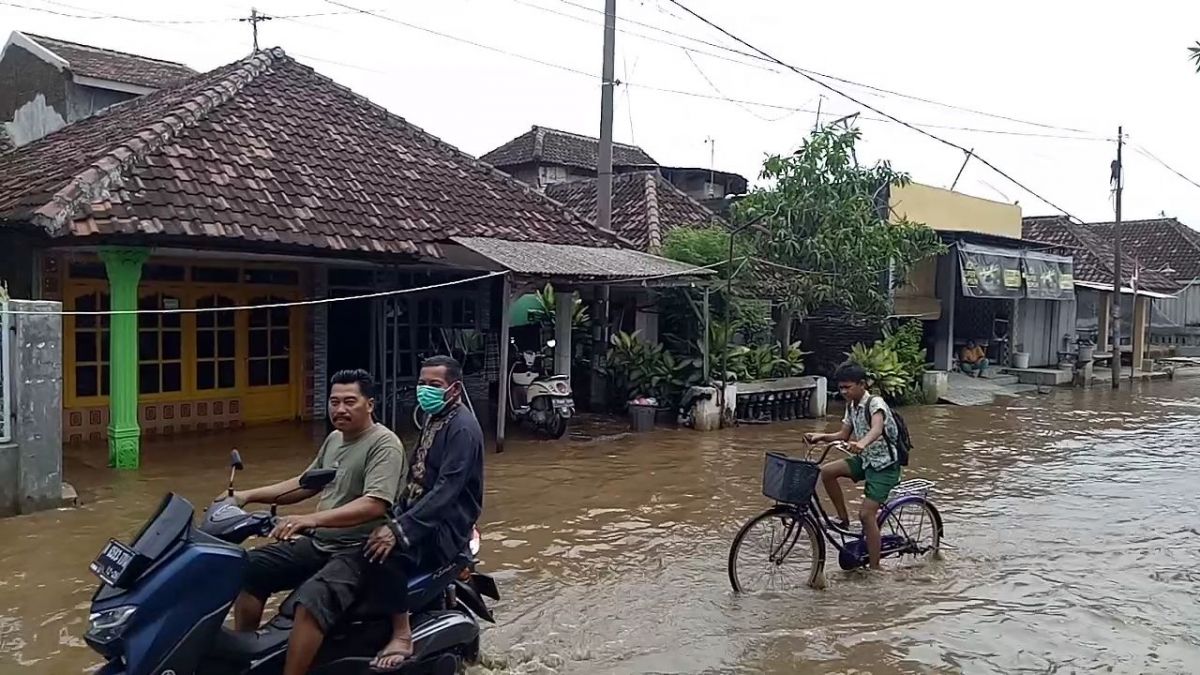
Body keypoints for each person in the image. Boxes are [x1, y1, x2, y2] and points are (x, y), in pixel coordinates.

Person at [228, 369, 407, 675]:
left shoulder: (384, 444)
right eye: (334, 402)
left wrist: (307, 519)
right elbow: (305, 483)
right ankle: (243, 661)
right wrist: (245, 496)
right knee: (247, 567)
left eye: (350, 401)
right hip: (321, 541)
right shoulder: (335, 439)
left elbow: (374, 504)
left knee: (310, 602)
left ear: (370, 404)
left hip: (360, 548)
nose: (340, 409)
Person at [362, 355, 484, 672]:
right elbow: (417, 476)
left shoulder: (462, 429)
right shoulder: (435, 417)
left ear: (454, 389)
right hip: (420, 514)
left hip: (445, 526)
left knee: (384, 555)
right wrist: (390, 512)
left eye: (434, 385)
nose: (425, 390)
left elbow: (446, 490)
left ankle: (402, 635)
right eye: (422, 383)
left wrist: (399, 530)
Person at [804, 362, 901, 571]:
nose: (844, 391)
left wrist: (863, 443)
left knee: (867, 515)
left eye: (848, 387)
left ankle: (875, 568)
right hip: (865, 459)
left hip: (885, 466)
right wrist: (821, 437)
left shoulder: (875, 404)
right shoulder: (851, 406)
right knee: (827, 472)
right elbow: (843, 435)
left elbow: (876, 428)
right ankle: (842, 519)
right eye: (841, 388)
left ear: (862, 384)